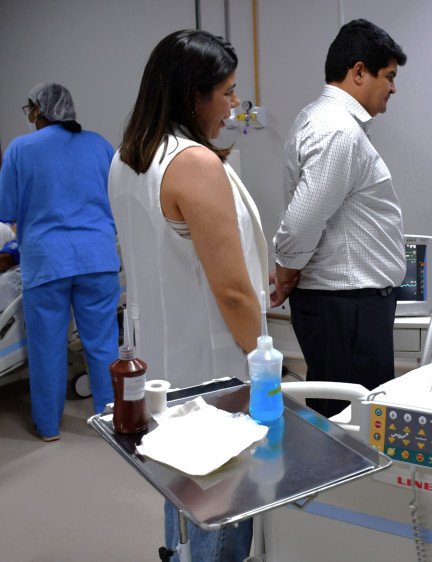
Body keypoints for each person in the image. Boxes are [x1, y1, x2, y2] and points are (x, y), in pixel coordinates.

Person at [108, 29, 267, 562]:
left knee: (183, 491)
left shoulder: (128, 158)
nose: (234, 105)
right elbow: (232, 292)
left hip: (165, 361)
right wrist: (266, 366)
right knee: (220, 508)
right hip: (214, 367)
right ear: (191, 94)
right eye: (226, 92)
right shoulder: (193, 164)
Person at [272, 19, 408, 418]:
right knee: (350, 425)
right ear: (359, 71)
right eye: (389, 76)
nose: (394, 88)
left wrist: (290, 268)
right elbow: (302, 221)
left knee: (347, 420)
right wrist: (285, 271)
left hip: (347, 305)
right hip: (346, 307)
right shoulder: (338, 131)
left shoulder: (322, 118)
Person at [0, 83, 119, 442]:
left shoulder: (21, 148)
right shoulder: (99, 144)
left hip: (47, 261)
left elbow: (6, 211)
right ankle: (113, 422)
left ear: (39, 109)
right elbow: (117, 197)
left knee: (47, 346)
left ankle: (49, 427)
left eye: (30, 110)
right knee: (102, 344)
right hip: (98, 258)